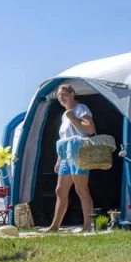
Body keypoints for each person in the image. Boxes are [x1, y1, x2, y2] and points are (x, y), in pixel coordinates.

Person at [46, 84, 96, 232]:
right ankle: (54, 226)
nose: (61, 97)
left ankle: (87, 226)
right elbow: (64, 138)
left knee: (81, 189)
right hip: (65, 154)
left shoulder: (81, 109)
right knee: (60, 190)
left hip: (78, 151)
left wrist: (73, 118)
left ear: (72, 94)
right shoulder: (64, 115)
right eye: (58, 95)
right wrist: (58, 159)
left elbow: (90, 130)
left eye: (63, 94)